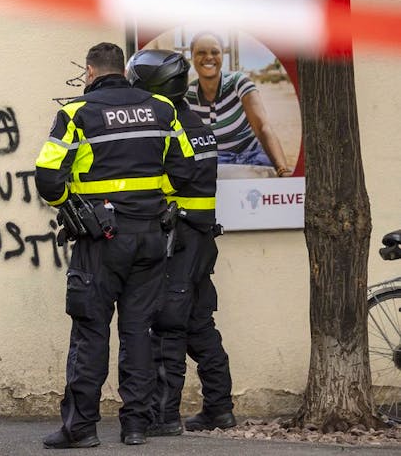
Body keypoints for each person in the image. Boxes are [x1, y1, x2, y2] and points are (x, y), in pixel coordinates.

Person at [35, 42, 195, 448]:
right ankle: (136, 425)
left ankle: (81, 428)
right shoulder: (162, 109)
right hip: (151, 236)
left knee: (90, 331)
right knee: (138, 330)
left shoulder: (77, 113)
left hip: (100, 239)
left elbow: (48, 178)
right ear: (122, 70)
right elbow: (185, 171)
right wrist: (149, 197)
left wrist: (72, 207)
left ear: (90, 72)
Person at [126, 49, 236, 436]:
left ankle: (164, 416)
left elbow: (172, 179)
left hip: (180, 237)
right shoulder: (193, 120)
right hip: (201, 236)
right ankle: (219, 408)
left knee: (168, 325)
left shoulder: (172, 125)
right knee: (198, 323)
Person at [186, 32, 292, 177]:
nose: (209, 57)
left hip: (252, 157)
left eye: (215, 52)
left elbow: (262, 127)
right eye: (201, 52)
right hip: (217, 166)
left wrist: (282, 169)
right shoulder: (187, 96)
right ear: (192, 57)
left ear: (222, 55)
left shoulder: (238, 82)